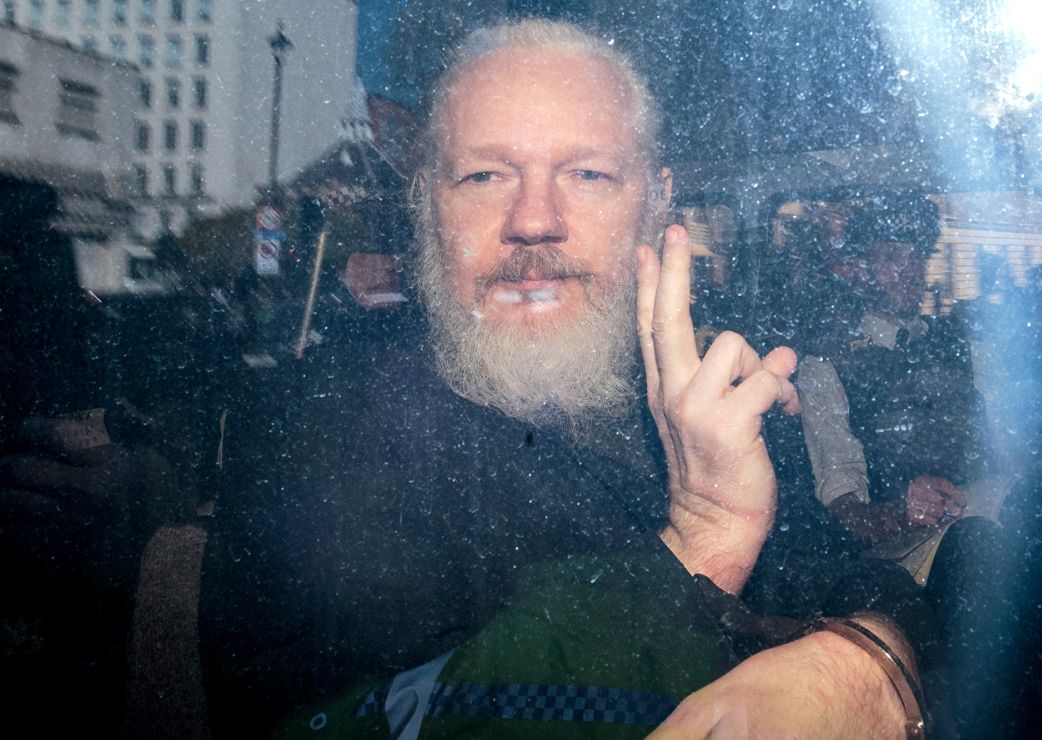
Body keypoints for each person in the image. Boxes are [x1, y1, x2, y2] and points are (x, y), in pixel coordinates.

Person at [200, 20, 934, 739]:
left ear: (654, 202)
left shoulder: (694, 412)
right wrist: (699, 547)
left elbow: (884, 600)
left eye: (587, 174)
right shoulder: (319, 437)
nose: (534, 220)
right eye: (485, 175)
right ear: (427, 202)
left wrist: (874, 660)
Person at [793, 194, 992, 546]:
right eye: (891, 257)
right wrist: (900, 514)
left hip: (987, 525)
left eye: (917, 256)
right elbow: (843, 509)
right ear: (860, 269)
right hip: (903, 557)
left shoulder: (969, 349)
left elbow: (1015, 454)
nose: (909, 271)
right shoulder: (826, 369)